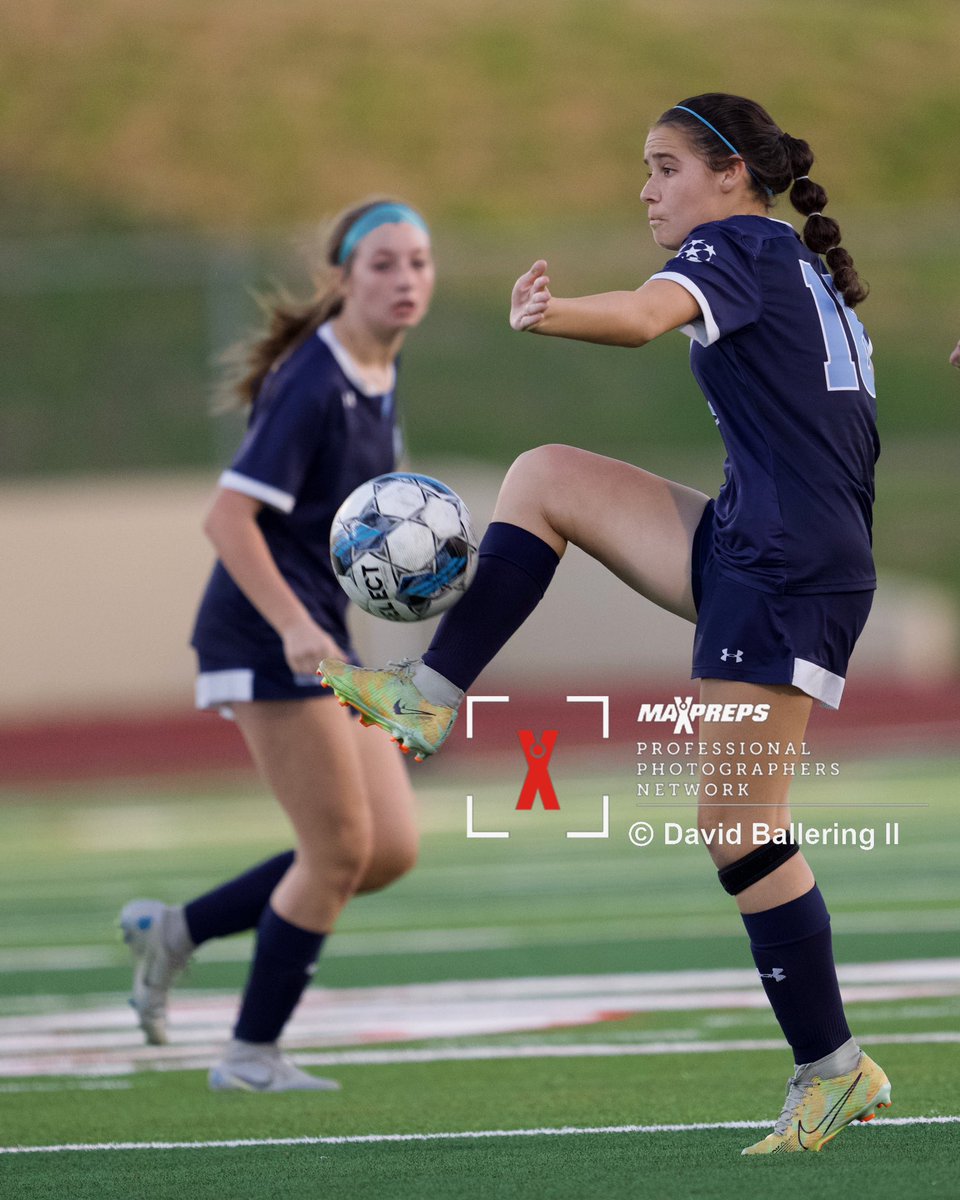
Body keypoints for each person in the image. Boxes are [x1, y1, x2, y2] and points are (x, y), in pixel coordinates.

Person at [320, 95, 893, 1152]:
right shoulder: (794, 265)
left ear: (729, 173)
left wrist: (550, 313)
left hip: (786, 569)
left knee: (736, 824)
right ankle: (428, 697)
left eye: (666, 166)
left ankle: (835, 1068)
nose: (647, 188)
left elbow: (638, 318)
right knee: (545, 478)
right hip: (755, 542)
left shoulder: (738, 243)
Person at [119, 198, 434, 1092]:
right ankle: (249, 1055)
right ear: (343, 277)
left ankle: (176, 931)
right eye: (383, 264)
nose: (405, 279)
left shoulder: (382, 367)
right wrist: (299, 627)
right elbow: (229, 518)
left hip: (318, 633)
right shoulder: (314, 378)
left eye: (417, 261)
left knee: (388, 850)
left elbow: (349, 544)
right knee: (335, 851)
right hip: (263, 633)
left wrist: (367, 660)